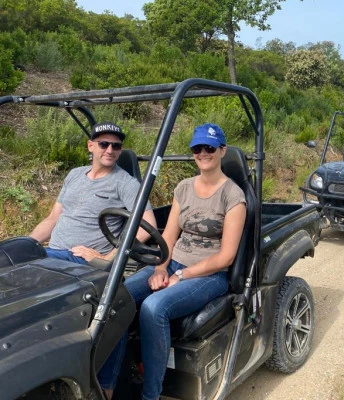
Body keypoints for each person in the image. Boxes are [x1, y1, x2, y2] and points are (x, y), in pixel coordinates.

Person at [98, 123, 247, 400]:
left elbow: (226, 257)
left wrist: (181, 275)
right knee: (117, 297)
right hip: (174, 263)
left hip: (209, 274)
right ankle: (107, 386)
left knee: (154, 308)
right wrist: (161, 267)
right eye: (197, 148)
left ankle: (151, 394)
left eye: (209, 148)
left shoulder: (233, 195)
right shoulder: (184, 187)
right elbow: (167, 235)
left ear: (222, 151)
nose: (203, 153)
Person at [29, 121, 157, 264]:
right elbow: (53, 217)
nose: (110, 150)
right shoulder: (74, 174)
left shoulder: (126, 183)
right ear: (91, 146)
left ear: (120, 150)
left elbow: (148, 226)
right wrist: (27, 244)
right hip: (52, 252)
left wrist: (107, 258)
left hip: (79, 259)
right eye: (103, 144)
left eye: (116, 146)